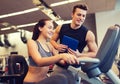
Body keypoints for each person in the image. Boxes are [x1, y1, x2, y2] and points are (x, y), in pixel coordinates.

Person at [50, 4, 98, 84]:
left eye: (83, 16)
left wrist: (79, 55)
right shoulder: (61, 27)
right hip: (59, 66)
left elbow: (95, 53)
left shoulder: (88, 34)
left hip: (75, 69)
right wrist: (56, 46)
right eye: (79, 15)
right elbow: (52, 40)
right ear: (72, 14)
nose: (81, 18)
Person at [23, 19, 79, 84]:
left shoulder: (49, 45)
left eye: (53, 29)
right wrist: (61, 56)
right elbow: (39, 61)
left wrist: (72, 58)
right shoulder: (32, 42)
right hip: (32, 82)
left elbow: (62, 62)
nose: (52, 31)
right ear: (40, 28)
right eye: (49, 28)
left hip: (43, 81)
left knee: (65, 78)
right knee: (61, 78)